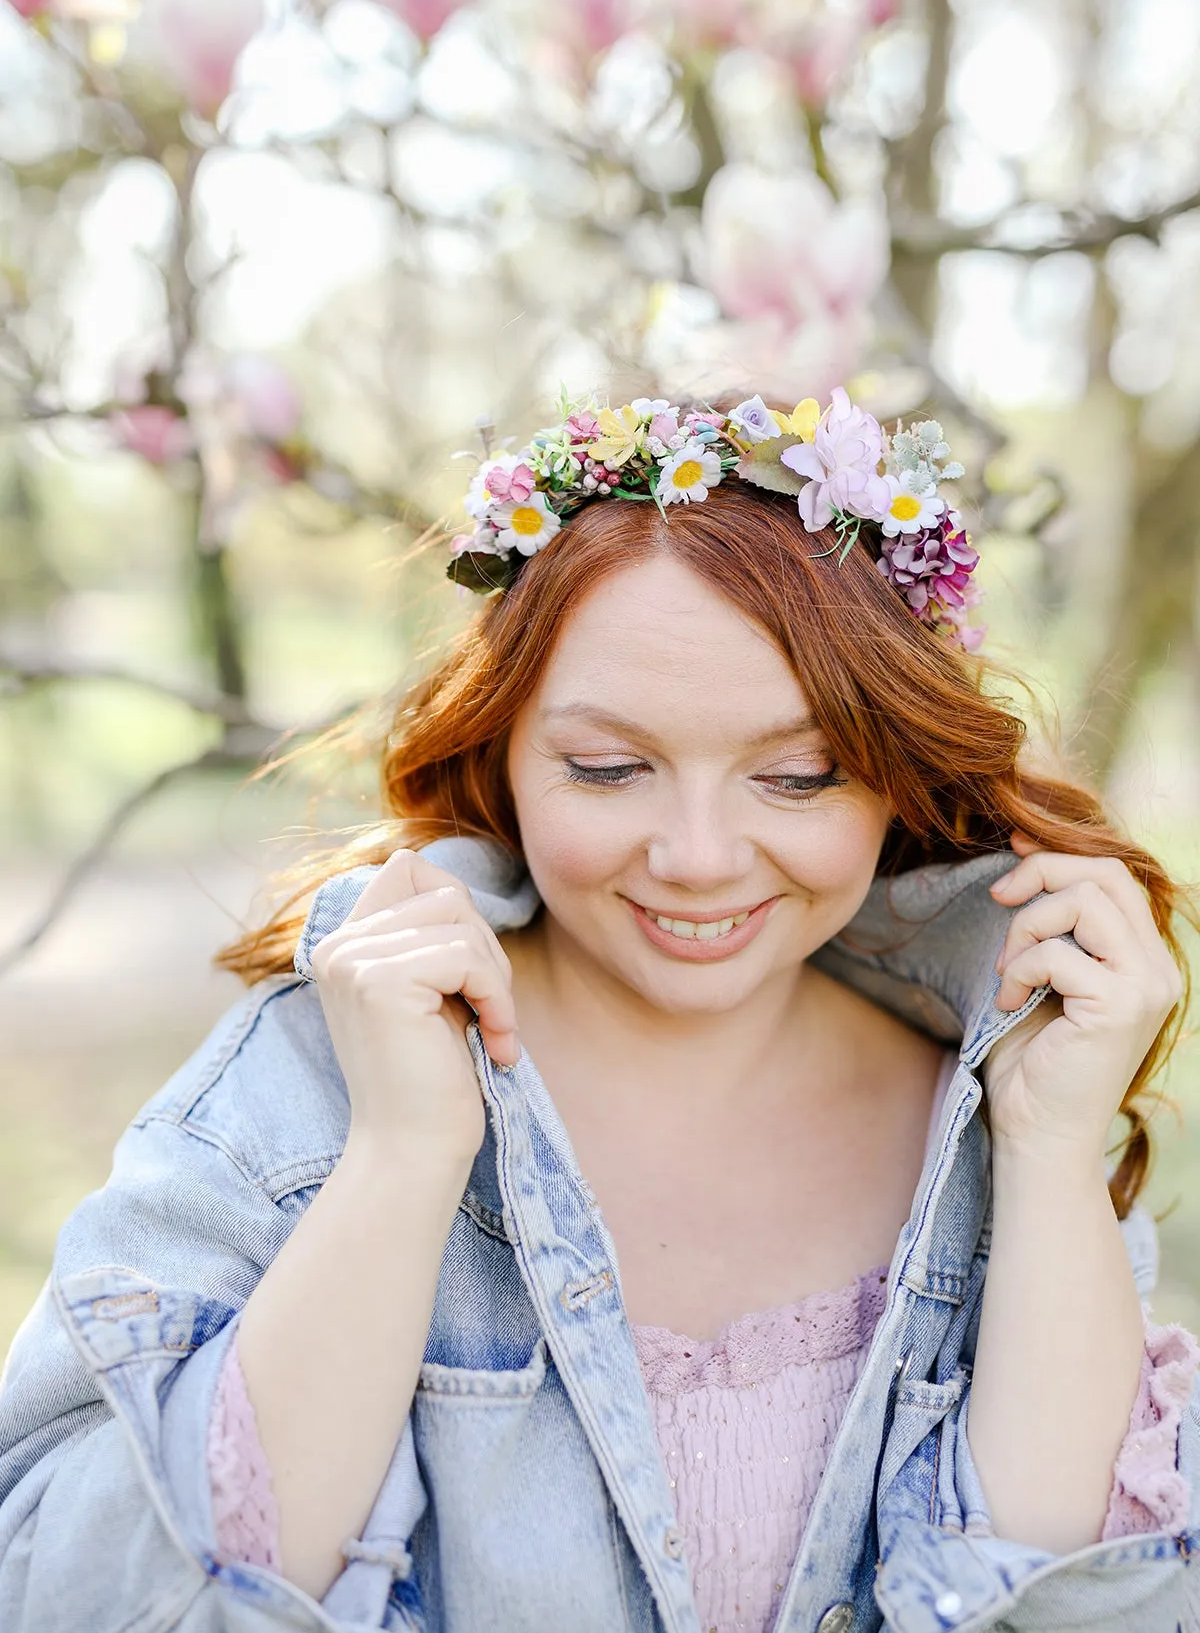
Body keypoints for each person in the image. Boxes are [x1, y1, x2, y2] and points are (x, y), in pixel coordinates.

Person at [0, 387, 1197, 1633]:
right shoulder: (300, 1089)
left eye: (795, 777)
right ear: (502, 750)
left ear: (896, 774)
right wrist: (402, 1163)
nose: (696, 857)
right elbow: (82, 1599)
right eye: (609, 768)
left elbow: (1085, 1611)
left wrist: (1053, 1154)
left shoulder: (998, 1109)